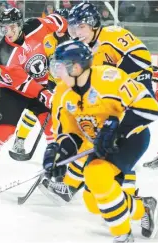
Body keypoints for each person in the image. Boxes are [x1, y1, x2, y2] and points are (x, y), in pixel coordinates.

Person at [38, 1, 154, 203]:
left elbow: (141, 58)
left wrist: (118, 80)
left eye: (81, 27)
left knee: (121, 139)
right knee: (91, 134)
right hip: (110, 99)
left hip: (133, 90)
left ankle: (128, 194)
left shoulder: (113, 35)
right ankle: (72, 185)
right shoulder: (86, 49)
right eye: (73, 28)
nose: (76, 33)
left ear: (93, 24)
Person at [43, 39, 158, 242]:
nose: (56, 73)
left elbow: (149, 107)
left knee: (95, 174)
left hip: (132, 137)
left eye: (59, 68)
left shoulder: (109, 78)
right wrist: (59, 155)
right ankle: (143, 207)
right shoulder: (62, 94)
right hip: (100, 144)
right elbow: (70, 135)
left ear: (76, 67)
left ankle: (123, 235)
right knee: (93, 203)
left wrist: (118, 130)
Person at [0, 8, 68, 186]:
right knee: (4, 130)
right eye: (4, 28)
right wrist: (45, 94)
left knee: (54, 127)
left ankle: (59, 171)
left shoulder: (36, 26)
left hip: (40, 86)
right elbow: (24, 83)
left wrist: (64, 38)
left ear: (20, 25)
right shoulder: (4, 52)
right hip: (12, 91)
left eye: (12, 27)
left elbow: (60, 22)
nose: (8, 32)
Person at [10, 8, 70, 165]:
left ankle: (63, 146)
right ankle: (20, 139)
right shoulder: (45, 38)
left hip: (67, 84)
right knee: (33, 111)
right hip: (47, 81)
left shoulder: (74, 40)